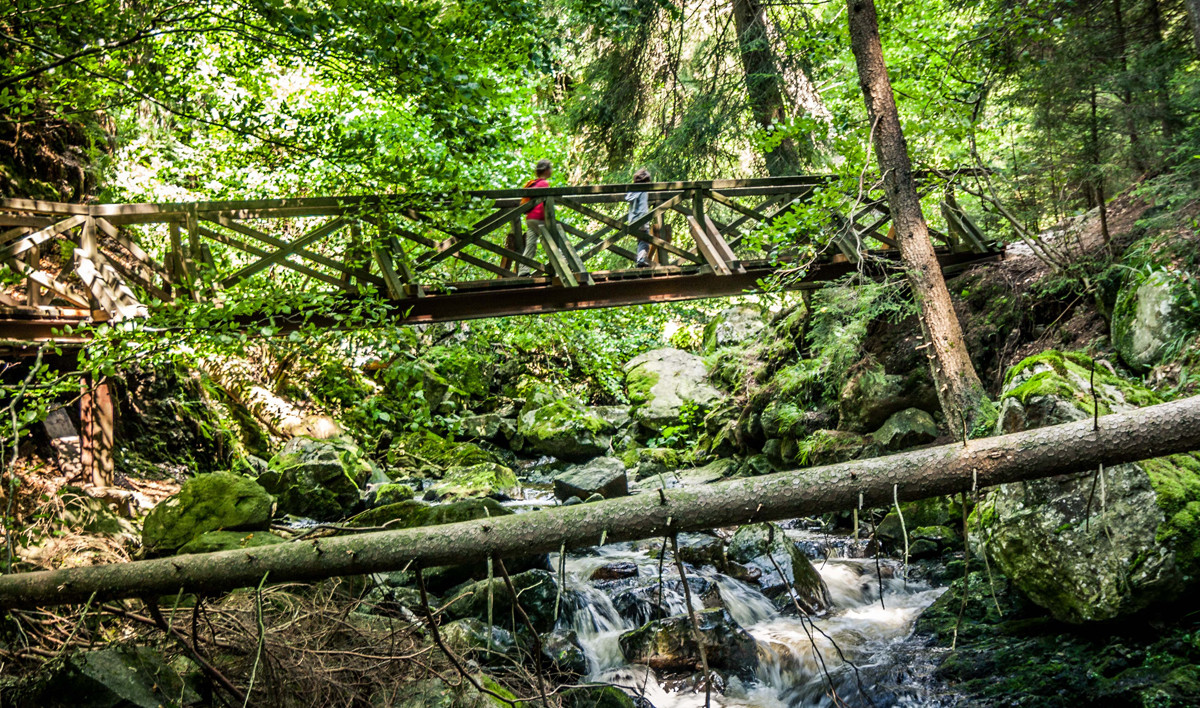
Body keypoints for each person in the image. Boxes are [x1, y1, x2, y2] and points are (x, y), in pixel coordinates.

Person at [518, 159, 552, 276]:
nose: (551, 171)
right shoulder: (543, 183)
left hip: (530, 219)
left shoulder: (534, 183)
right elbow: (545, 204)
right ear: (546, 170)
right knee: (553, 241)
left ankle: (523, 271)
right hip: (540, 219)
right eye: (550, 168)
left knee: (530, 245)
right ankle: (562, 265)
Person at [626, 168, 653, 267]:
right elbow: (643, 209)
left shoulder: (632, 191)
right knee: (645, 241)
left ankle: (640, 260)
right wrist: (644, 223)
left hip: (632, 220)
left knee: (641, 241)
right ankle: (641, 260)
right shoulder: (643, 192)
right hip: (641, 221)